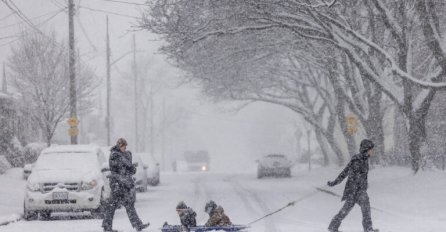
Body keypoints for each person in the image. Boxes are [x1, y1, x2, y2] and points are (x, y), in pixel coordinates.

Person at [327, 139, 379, 232]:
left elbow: (357, 175)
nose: (372, 151)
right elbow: (346, 172)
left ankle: (333, 226)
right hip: (354, 190)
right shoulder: (357, 159)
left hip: (358, 190)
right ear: (366, 149)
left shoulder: (365, 159)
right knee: (360, 207)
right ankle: (368, 228)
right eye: (371, 149)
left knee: (349, 209)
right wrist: (335, 182)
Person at [102, 138, 150, 232]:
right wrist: (128, 162)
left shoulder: (124, 155)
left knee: (128, 205)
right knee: (112, 206)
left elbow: (130, 169)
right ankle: (107, 226)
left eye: (125, 146)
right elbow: (123, 166)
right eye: (123, 146)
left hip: (124, 184)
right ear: (119, 145)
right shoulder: (114, 155)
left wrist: (129, 164)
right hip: (117, 185)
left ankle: (138, 225)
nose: (125, 148)